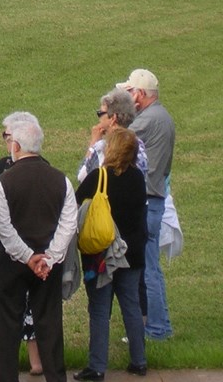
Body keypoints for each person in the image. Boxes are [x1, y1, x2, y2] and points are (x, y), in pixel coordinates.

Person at [0, 111, 77, 382]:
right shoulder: (61, 180)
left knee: (8, 325)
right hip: (48, 265)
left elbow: (4, 228)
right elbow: (68, 225)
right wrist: (49, 258)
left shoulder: (4, 182)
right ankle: (55, 376)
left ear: (16, 146)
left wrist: (28, 258)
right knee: (50, 323)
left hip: (13, 263)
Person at [74, 127, 147, 382]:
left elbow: (75, 201)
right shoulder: (138, 178)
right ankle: (139, 361)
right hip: (133, 252)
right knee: (131, 306)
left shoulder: (98, 177)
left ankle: (97, 367)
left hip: (102, 255)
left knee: (99, 309)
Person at [0, 123, 43, 379]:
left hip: (8, 250)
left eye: (6, 136)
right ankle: (37, 360)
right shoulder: (44, 166)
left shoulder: (5, 167)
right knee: (34, 305)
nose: (5, 141)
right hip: (39, 251)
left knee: (0, 307)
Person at [116, 69, 175, 340]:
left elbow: (116, 144)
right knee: (148, 267)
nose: (126, 99)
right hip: (156, 197)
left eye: (129, 93)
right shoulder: (162, 116)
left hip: (148, 201)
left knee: (148, 269)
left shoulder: (147, 120)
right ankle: (154, 325)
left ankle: (157, 327)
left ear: (139, 94)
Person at [77, 89, 148, 184]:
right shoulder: (139, 144)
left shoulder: (102, 146)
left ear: (113, 118)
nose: (99, 118)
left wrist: (93, 142)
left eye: (100, 113)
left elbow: (82, 177)